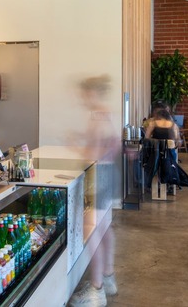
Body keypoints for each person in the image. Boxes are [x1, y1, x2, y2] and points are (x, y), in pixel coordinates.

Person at [68, 75, 118, 307]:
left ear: (93, 93)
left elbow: (93, 152)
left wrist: (76, 146)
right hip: (107, 174)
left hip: (96, 176)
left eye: (85, 94)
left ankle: (96, 290)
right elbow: (114, 144)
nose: (83, 98)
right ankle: (107, 277)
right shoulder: (105, 114)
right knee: (105, 227)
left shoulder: (97, 116)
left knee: (91, 231)